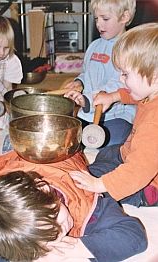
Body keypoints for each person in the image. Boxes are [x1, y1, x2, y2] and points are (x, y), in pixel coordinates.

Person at [69, 23, 158, 207]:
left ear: (154, 77)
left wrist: (99, 184)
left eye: (125, 74)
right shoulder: (151, 92)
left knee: (90, 188)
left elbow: (138, 171)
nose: (120, 79)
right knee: (108, 152)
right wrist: (114, 96)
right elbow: (133, 97)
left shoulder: (153, 124)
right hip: (130, 153)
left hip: (146, 184)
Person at [0, 170, 147, 262]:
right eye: (49, 236)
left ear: (45, 190)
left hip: (71, 173)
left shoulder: (89, 204)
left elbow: (134, 235)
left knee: (106, 164)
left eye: (55, 218)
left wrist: (70, 249)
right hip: (7, 171)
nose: (61, 231)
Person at [64, 0, 136, 147]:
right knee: (68, 136)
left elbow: (119, 83)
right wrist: (79, 82)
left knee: (112, 141)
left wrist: (88, 100)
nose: (98, 24)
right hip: (88, 111)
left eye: (105, 19)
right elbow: (87, 72)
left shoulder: (129, 49)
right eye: (97, 18)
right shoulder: (94, 46)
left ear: (124, 17)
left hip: (116, 115)